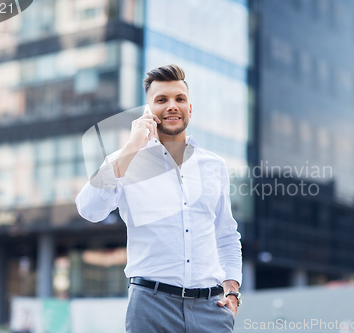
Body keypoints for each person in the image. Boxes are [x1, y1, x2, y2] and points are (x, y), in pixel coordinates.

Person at [75, 64, 242, 332]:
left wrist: (232, 290)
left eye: (180, 99)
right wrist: (131, 147)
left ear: (190, 108)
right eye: (161, 100)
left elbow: (226, 235)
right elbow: (89, 209)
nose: (172, 106)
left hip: (211, 309)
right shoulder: (124, 161)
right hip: (151, 308)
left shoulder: (214, 165)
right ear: (148, 112)